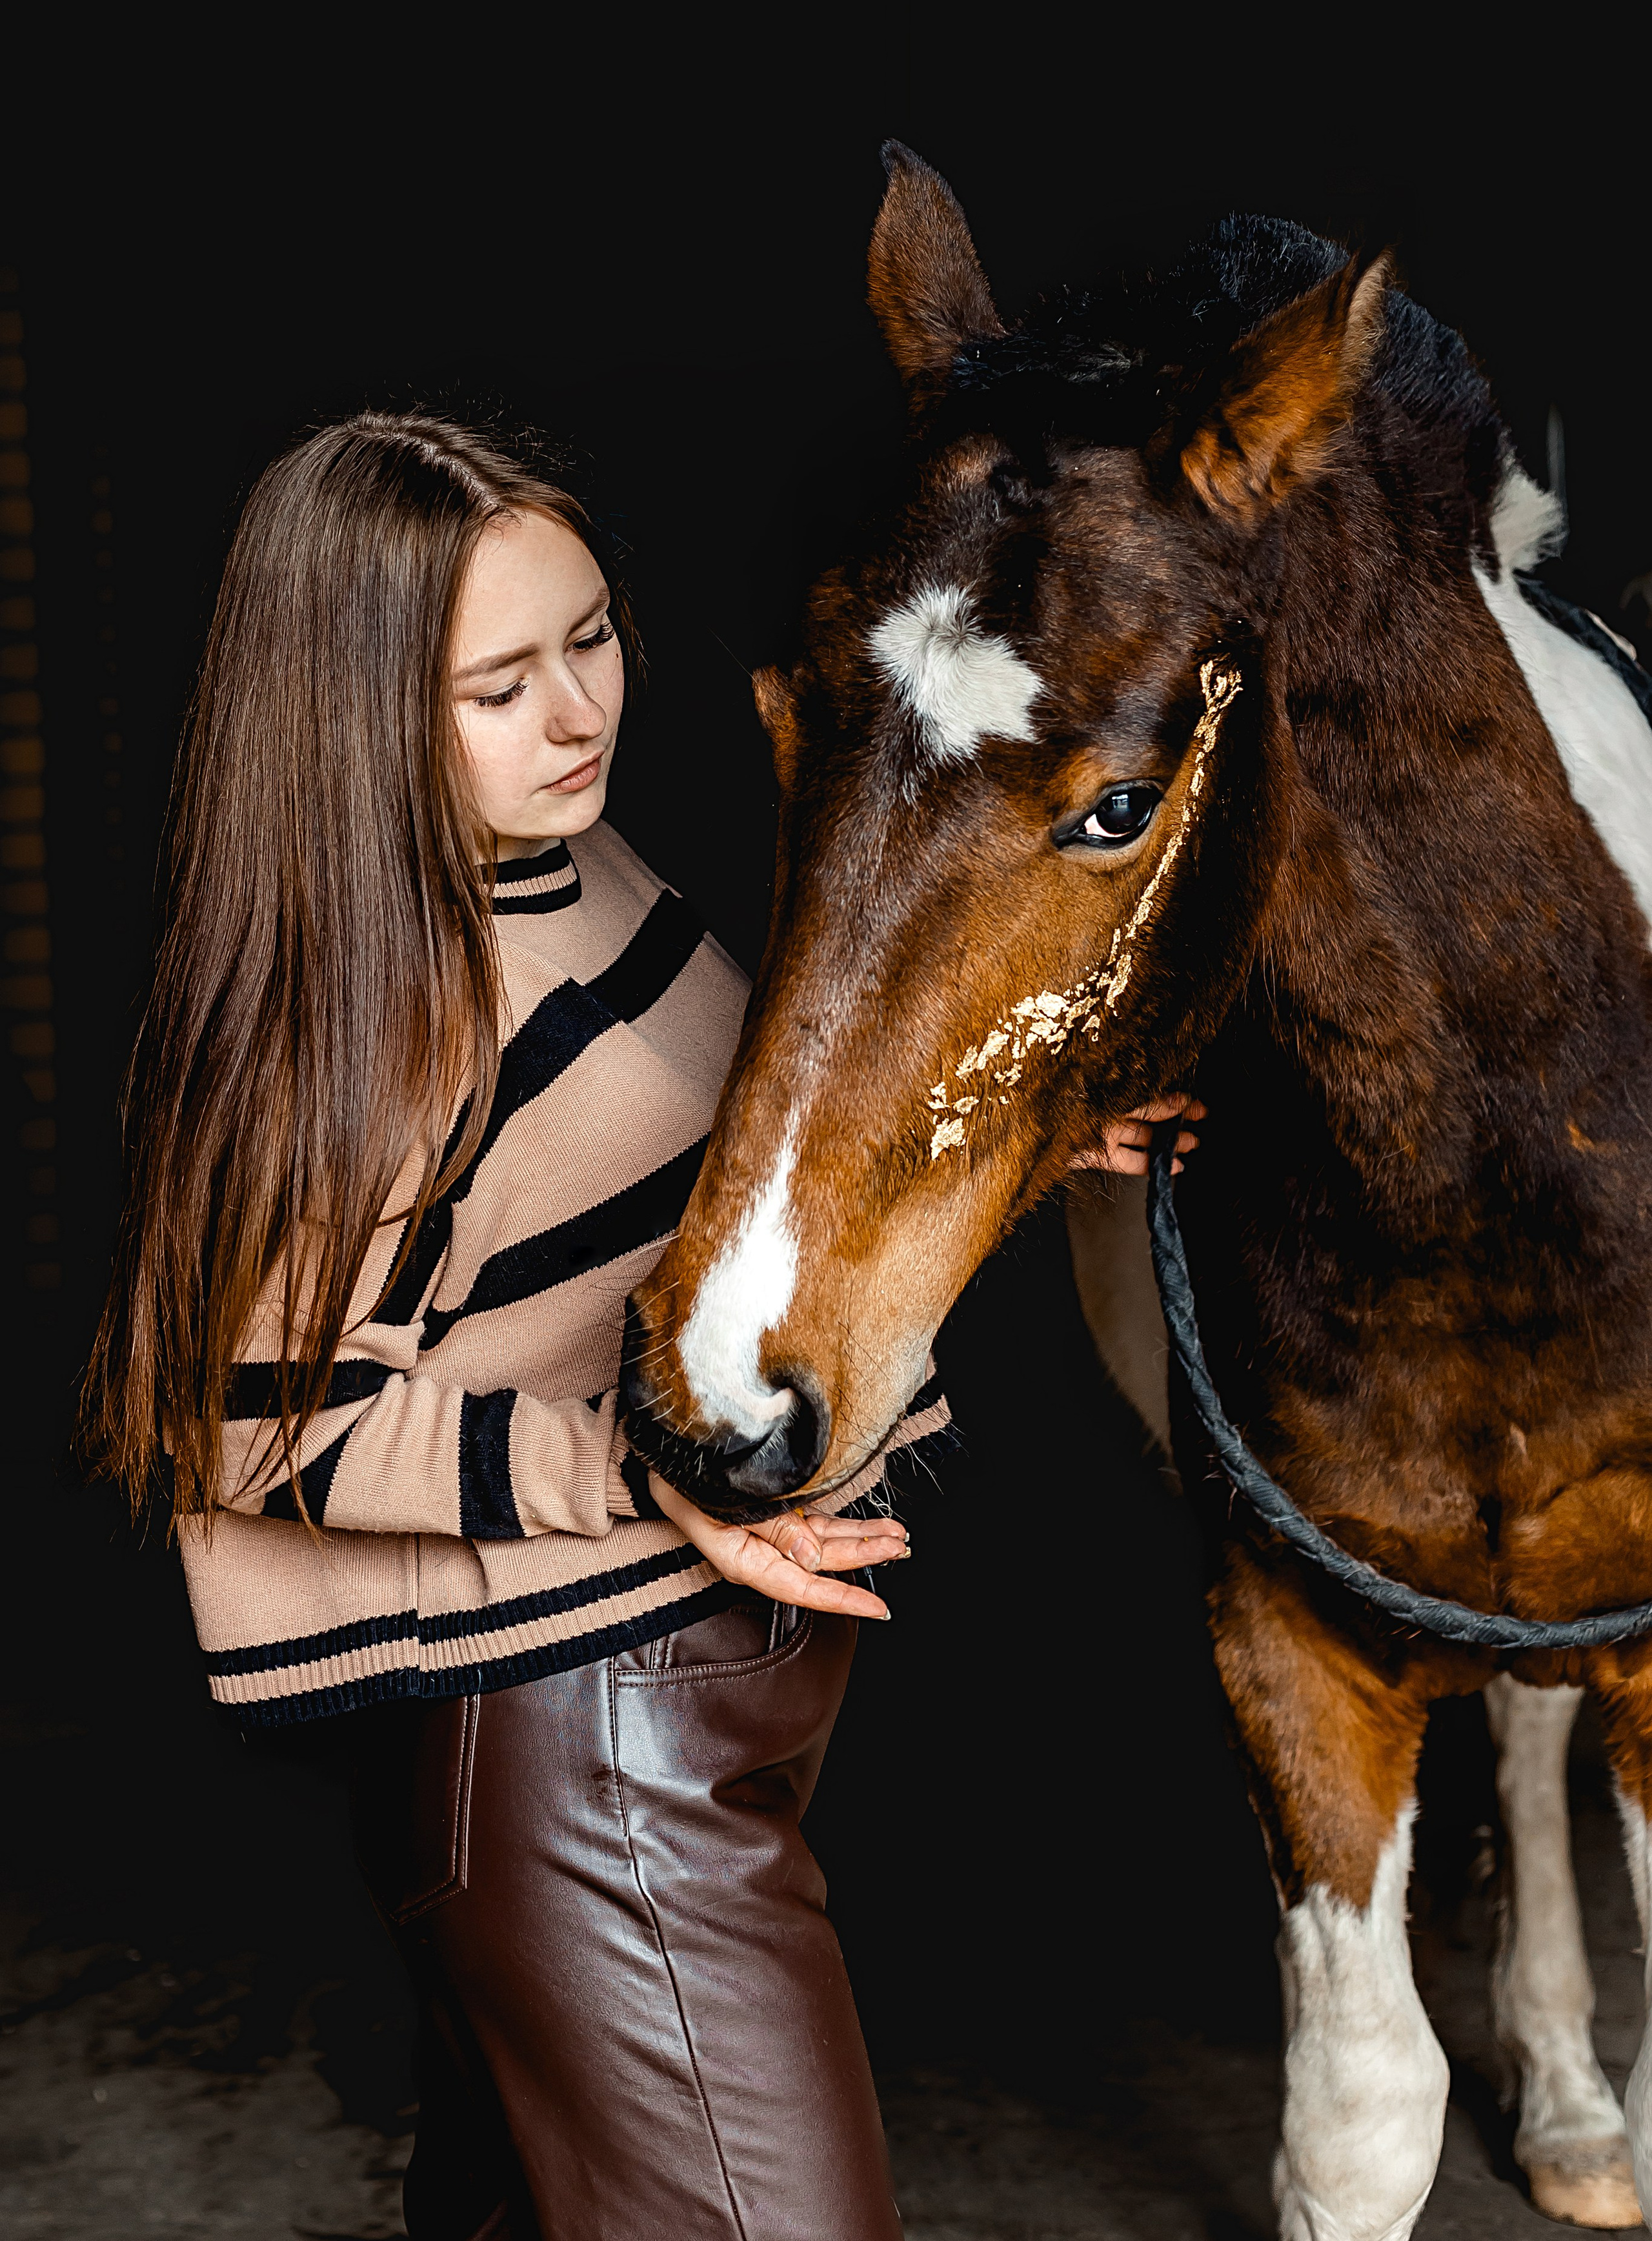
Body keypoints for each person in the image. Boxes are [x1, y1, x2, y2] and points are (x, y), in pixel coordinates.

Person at [81, 412, 1197, 2240]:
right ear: (352, 712)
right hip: (579, 1768)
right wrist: (637, 1466)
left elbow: (719, 1208)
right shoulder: (367, 1012)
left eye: (589, 638)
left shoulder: (576, 868)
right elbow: (257, 1426)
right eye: (496, 685)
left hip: (668, 1724)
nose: (578, 711)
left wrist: (1021, 1144)